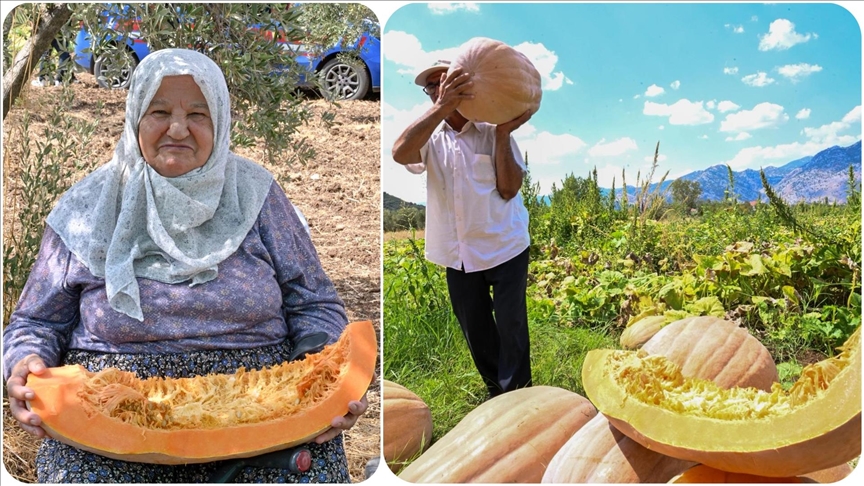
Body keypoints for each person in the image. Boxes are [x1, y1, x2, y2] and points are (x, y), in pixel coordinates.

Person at [4, 48, 367, 483]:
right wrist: (25, 361)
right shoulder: (86, 206)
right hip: (109, 430)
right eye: (159, 111)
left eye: (198, 113)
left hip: (268, 415)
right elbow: (34, 322)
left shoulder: (258, 196)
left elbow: (316, 304)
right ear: (135, 116)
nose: (178, 128)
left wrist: (322, 379)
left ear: (220, 121)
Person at [391, 60, 534, 400]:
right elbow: (400, 153)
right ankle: (496, 393)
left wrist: (502, 134)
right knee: (476, 329)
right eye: (433, 88)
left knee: (512, 327)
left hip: (505, 246)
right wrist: (442, 108)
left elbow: (510, 188)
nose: (440, 90)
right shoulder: (429, 136)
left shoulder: (491, 127)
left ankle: (520, 397)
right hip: (458, 255)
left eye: (447, 81)